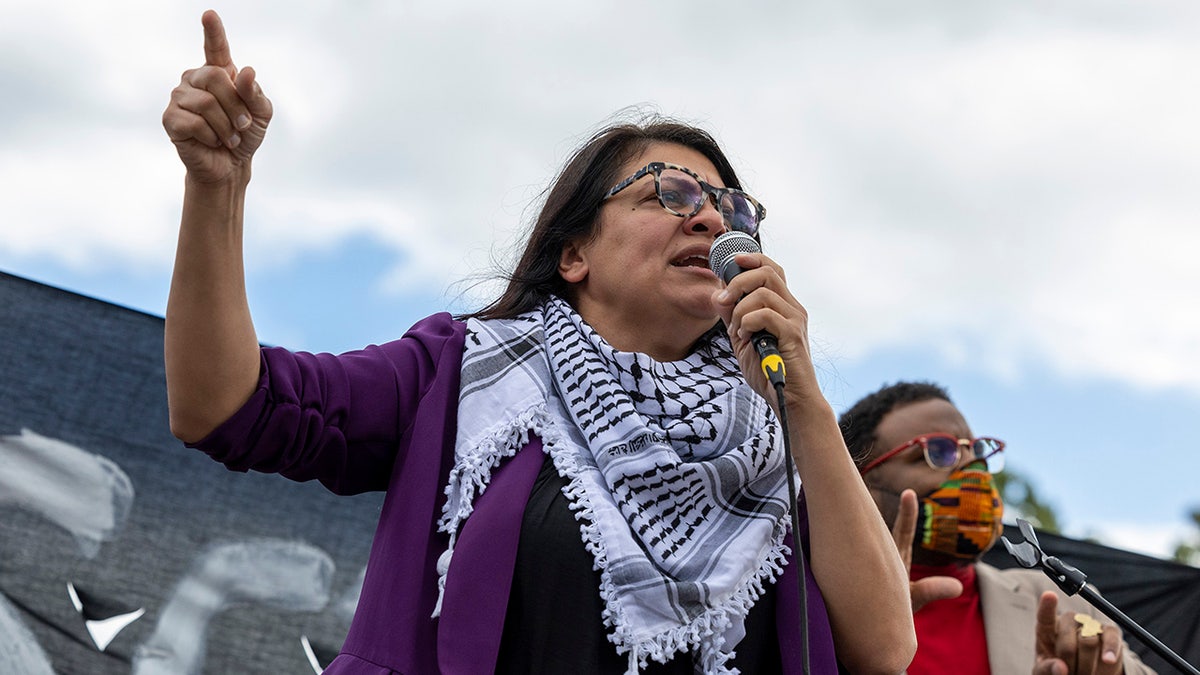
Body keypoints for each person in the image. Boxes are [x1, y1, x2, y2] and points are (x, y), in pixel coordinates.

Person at [161, 9, 915, 674]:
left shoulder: (772, 431)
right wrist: (217, 188)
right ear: (573, 254)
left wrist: (805, 402)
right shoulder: (462, 373)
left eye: (729, 208)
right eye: (670, 193)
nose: (711, 219)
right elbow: (224, 404)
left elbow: (885, 648)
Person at [838, 381, 1154, 675]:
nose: (972, 468)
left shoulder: (1063, 599)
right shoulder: (813, 603)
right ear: (860, 483)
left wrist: (1110, 667)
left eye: (976, 450)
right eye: (937, 451)